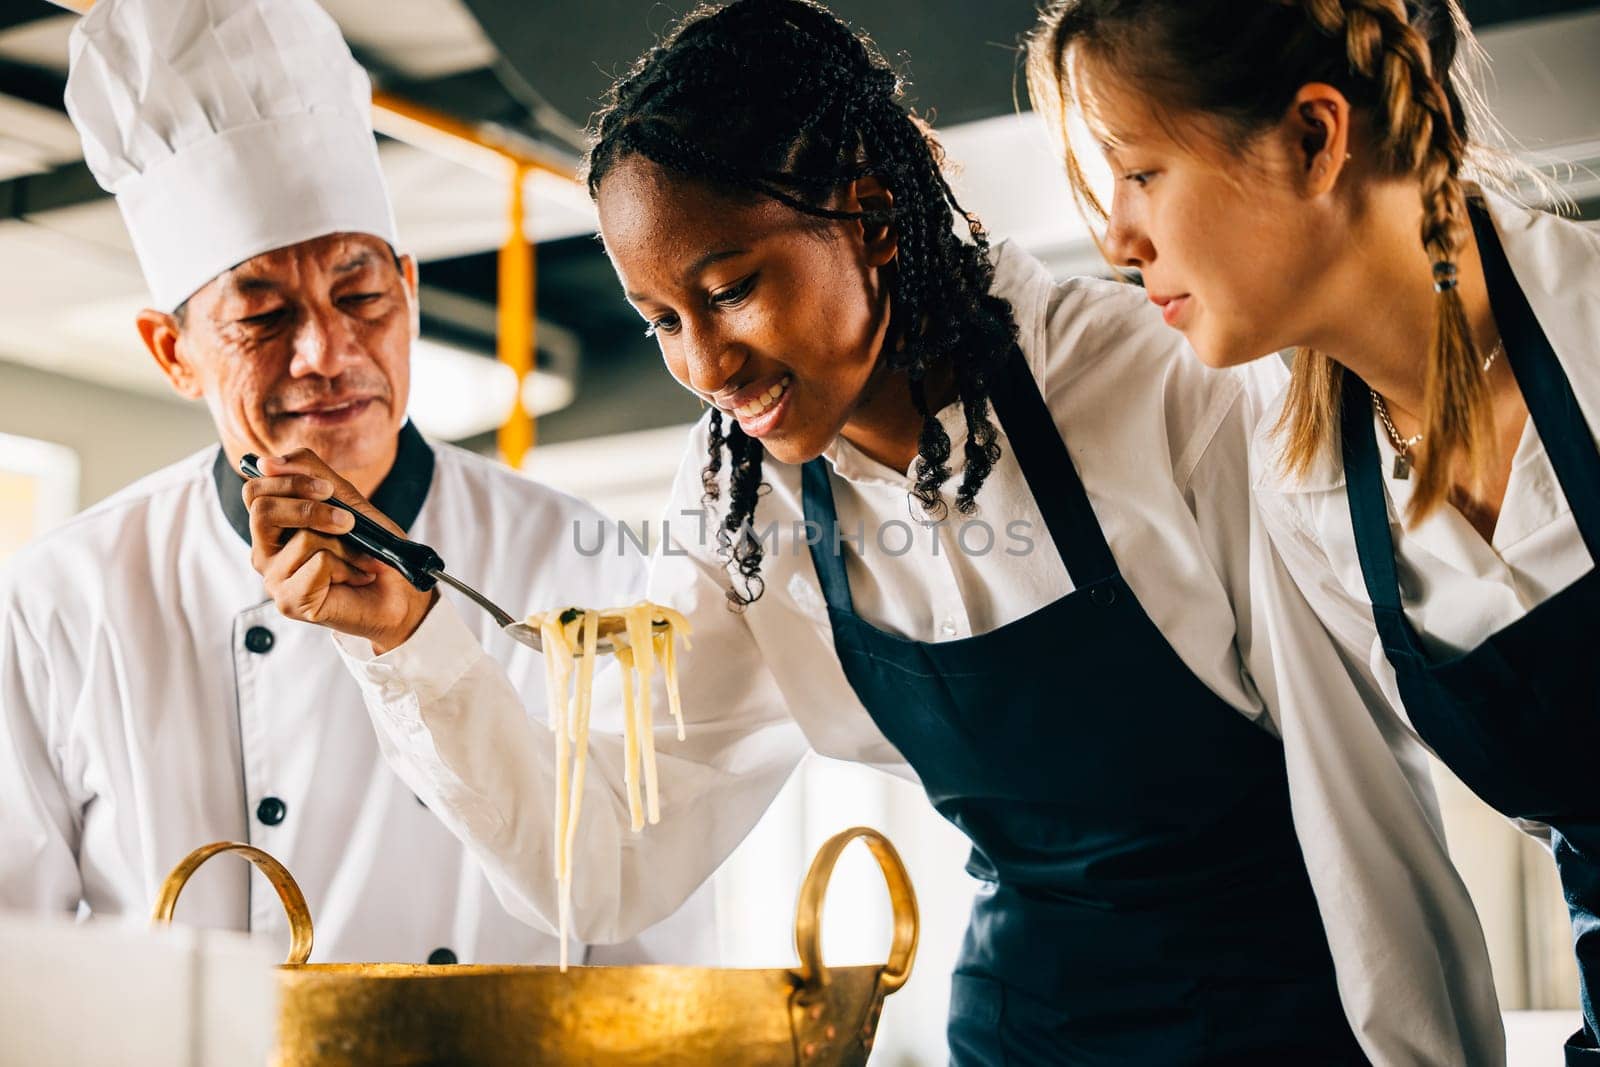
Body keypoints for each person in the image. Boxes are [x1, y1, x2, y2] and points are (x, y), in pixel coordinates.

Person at [247, 0, 1502, 1060]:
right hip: (1023, 1025)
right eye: (658, 320)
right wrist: (407, 640)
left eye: (730, 288)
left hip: (1284, 1022)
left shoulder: (1145, 383)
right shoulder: (740, 505)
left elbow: (1357, 787)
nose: (703, 363)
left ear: (869, 214)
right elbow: (609, 864)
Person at [0, 0, 715, 968]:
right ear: (173, 353)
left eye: (360, 296)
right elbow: (17, 957)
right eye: (260, 315)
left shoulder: (578, 564)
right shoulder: (60, 598)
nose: (327, 353)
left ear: (410, 294)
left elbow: (653, 944)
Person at [1025, 0, 1599, 1061]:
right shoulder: (1305, 484)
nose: (1115, 237)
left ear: (1311, 137)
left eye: (1140, 172)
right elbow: (1368, 848)